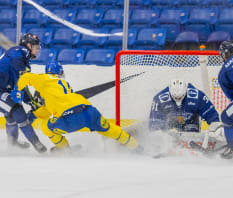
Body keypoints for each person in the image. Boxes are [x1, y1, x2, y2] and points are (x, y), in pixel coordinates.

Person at [12, 61, 140, 153]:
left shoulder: (45, 78)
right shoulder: (64, 85)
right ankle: (136, 147)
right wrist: (35, 114)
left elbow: (26, 77)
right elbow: (50, 108)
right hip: (90, 111)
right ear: (61, 73)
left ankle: (65, 150)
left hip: (71, 118)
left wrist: (18, 91)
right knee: (111, 130)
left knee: (46, 127)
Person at [0, 33, 47, 153]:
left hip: (3, 90)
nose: (37, 50)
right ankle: (37, 145)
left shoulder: (24, 60)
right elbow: (16, 58)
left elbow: (21, 85)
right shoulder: (21, 51)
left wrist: (31, 102)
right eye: (36, 47)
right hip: (2, 90)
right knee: (17, 110)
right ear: (28, 45)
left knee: (11, 116)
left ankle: (12, 145)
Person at [149, 79, 223, 150]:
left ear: (185, 91)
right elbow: (155, 122)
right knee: (163, 133)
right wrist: (159, 138)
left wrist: (215, 128)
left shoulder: (198, 96)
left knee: (192, 135)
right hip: (169, 122)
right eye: (175, 97)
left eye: (180, 97)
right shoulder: (159, 99)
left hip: (190, 121)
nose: (178, 99)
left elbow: (211, 114)